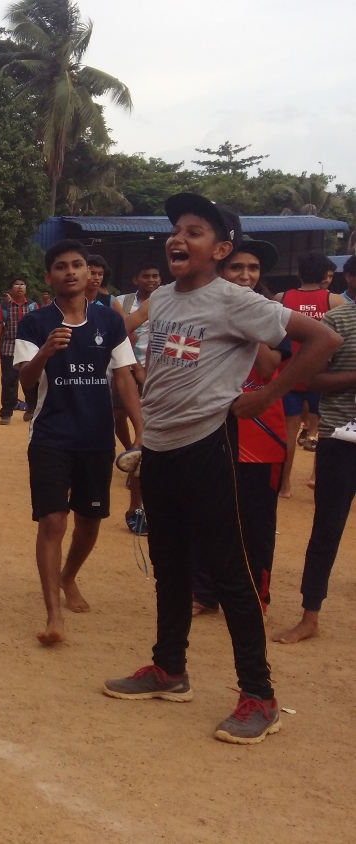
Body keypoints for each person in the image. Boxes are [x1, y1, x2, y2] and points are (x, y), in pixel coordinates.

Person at [103, 193, 341, 745]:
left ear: (221, 248)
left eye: (195, 231)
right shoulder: (161, 298)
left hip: (209, 446)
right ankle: (169, 669)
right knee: (169, 564)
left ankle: (259, 695)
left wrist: (267, 398)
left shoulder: (235, 300)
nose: (178, 239)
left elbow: (323, 340)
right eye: (176, 230)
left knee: (231, 573)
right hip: (159, 450)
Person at [15, 240, 140, 645]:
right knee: (53, 520)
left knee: (90, 523)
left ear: (90, 274)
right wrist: (46, 351)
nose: (70, 272)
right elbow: (26, 381)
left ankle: (69, 577)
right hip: (51, 435)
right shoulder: (35, 324)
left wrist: (142, 433)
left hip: (96, 437)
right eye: (61, 267)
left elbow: (123, 375)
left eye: (77, 265)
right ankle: (53, 613)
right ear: (48, 277)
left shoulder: (109, 322)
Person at [190, 240, 287, 617]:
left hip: (260, 437)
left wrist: (247, 319)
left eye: (253, 268)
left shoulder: (276, 314)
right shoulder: (201, 310)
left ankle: (254, 597)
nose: (245, 276)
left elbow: (266, 369)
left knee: (254, 523)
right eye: (236, 268)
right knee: (205, 515)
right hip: (208, 431)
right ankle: (204, 592)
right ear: (220, 271)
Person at [270, 264, 356, 645]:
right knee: (327, 527)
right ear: (349, 279)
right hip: (342, 440)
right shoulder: (336, 320)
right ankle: (310, 616)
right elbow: (310, 379)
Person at [275, 252, 345, 498]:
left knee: (288, 433)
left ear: (298, 273)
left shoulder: (281, 298)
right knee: (324, 432)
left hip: (288, 376)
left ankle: (284, 486)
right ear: (326, 276)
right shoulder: (334, 301)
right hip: (320, 376)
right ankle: (316, 477)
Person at [112, 263, 162, 534]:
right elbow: (120, 333)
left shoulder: (172, 300)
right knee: (124, 419)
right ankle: (137, 506)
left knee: (153, 437)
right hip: (128, 371)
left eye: (156, 275)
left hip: (164, 377)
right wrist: (135, 368)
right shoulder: (124, 303)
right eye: (147, 275)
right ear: (136, 278)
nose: (152, 279)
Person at [0, 277, 38, 424]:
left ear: (26, 288)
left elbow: (38, 327)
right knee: (8, 380)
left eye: (22, 284)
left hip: (28, 347)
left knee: (30, 380)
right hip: (9, 347)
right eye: (16, 284)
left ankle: (32, 407)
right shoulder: (4, 307)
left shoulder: (32, 306)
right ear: (11, 289)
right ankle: (6, 412)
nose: (20, 287)